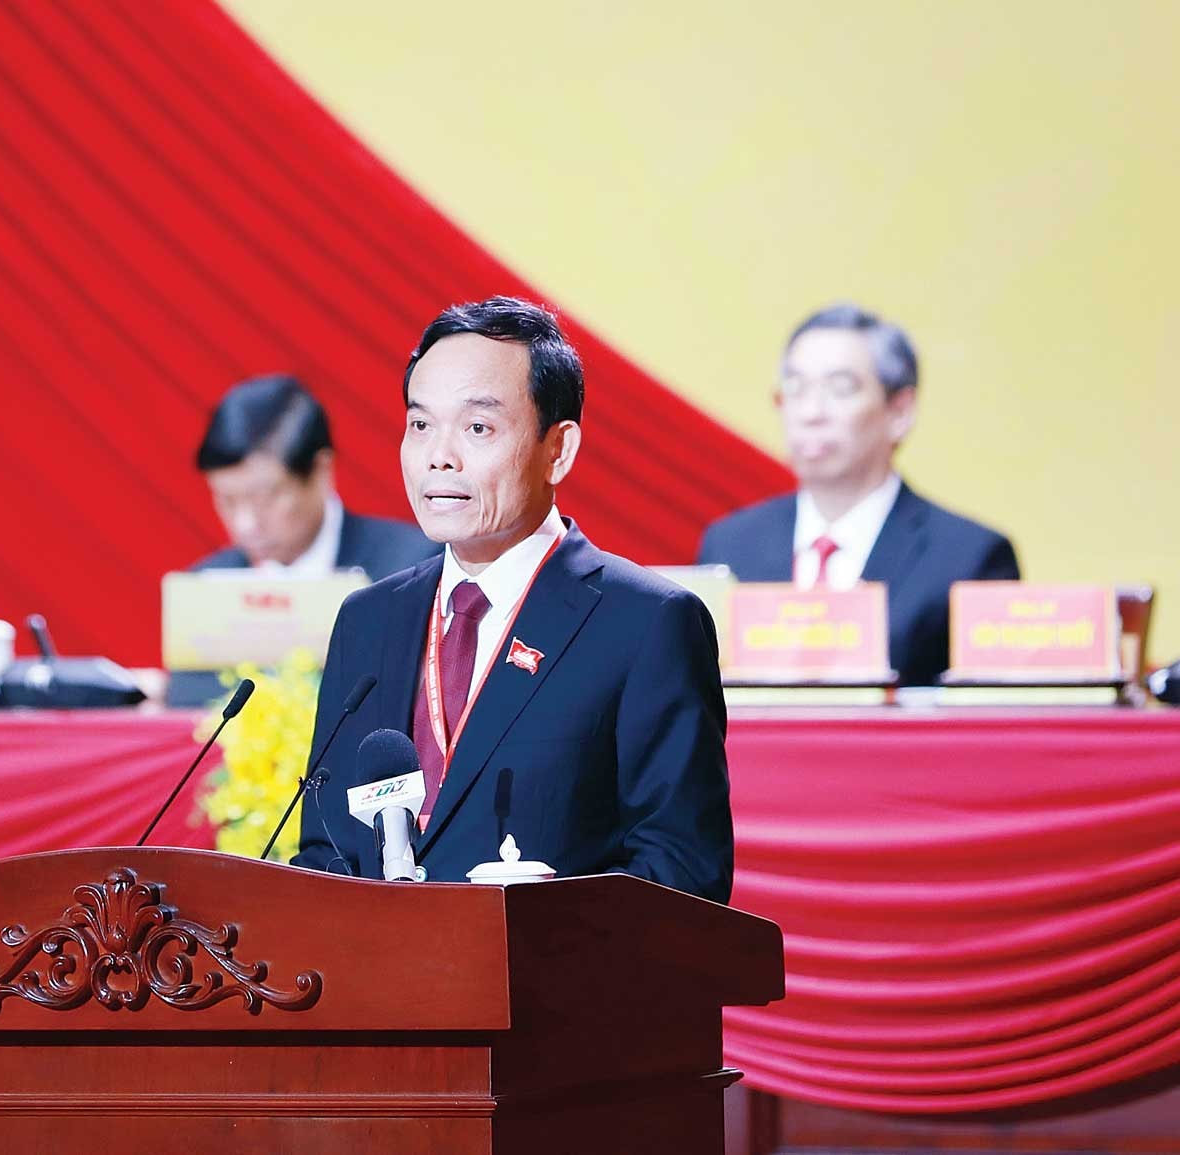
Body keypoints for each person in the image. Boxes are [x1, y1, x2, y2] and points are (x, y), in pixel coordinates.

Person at [293, 298, 732, 902]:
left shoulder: (646, 623)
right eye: (420, 425)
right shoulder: (368, 621)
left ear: (559, 450)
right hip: (377, 966)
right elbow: (325, 855)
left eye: (477, 428)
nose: (439, 456)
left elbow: (682, 878)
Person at [696, 304, 1019, 685]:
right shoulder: (731, 546)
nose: (811, 413)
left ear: (899, 412)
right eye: (795, 389)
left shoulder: (970, 559)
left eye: (840, 389)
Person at [191, 374, 437, 580]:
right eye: (227, 500)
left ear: (321, 471)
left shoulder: (412, 569)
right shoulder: (206, 586)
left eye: (265, 499)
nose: (246, 524)